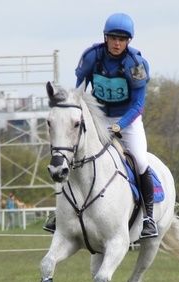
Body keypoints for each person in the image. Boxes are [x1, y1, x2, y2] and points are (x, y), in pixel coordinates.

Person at [44, 12, 158, 239]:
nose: (117, 43)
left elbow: (138, 104)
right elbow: (80, 89)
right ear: (105, 37)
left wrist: (120, 125)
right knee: (74, 155)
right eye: (113, 38)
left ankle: (149, 217)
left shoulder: (135, 65)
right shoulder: (92, 57)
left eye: (122, 39)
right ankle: (61, 214)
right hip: (99, 116)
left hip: (128, 119)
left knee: (140, 160)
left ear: (128, 41)